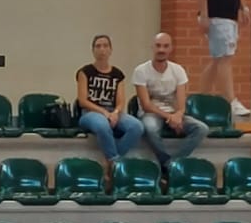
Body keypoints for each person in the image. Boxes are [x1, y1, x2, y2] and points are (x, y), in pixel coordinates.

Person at [132, 32, 206, 167]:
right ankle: (165, 161)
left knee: (201, 129)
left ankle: (173, 162)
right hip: (151, 114)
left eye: (165, 46)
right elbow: (146, 105)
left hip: (174, 114)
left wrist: (177, 115)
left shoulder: (178, 71)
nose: (161, 50)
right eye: (158, 46)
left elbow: (182, 103)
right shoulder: (141, 71)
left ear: (171, 49)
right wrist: (170, 117)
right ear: (152, 48)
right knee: (150, 128)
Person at [76, 35, 142, 181]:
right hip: (90, 112)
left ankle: (110, 162)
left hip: (112, 111)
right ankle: (114, 161)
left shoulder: (117, 75)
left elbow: (120, 101)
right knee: (102, 124)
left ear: (111, 50)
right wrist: (104, 112)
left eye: (105, 46)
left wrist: (116, 112)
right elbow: (82, 100)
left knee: (136, 126)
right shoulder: (85, 72)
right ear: (93, 50)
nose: (102, 49)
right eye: (98, 46)